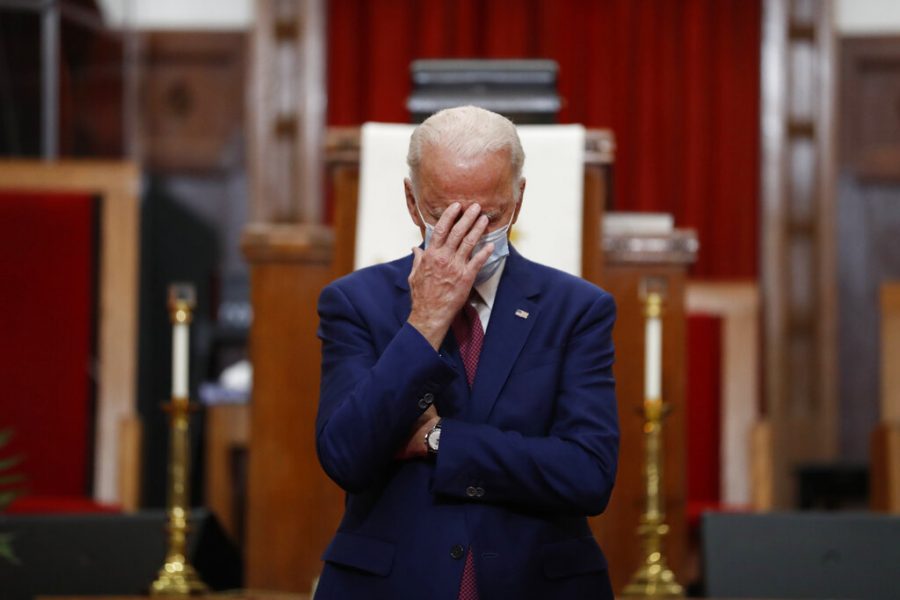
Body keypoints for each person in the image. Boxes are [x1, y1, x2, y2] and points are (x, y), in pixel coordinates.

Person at [314, 106, 618, 600]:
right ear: (412, 203)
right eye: (445, 215)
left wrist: (440, 441)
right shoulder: (356, 302)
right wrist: (426, 321)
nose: (468, 234)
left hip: (534, 582)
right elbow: (345, 456)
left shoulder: (577, 309)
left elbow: (588, 475)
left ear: (518, 200)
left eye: (489, 215)